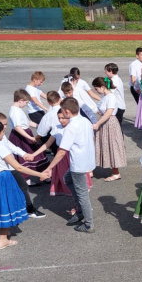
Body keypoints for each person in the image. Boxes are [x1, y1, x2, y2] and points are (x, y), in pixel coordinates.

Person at [0, 121, 51, 250]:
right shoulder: (0, 148)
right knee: (6, 207)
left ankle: (3, 233)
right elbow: (18, 167)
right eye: (2, 132)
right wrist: (39, 174)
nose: (4, 134)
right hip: (3, 178)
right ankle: (3, 239)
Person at [45, 97, 97, 233]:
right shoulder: (85, 121)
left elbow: (62, 152)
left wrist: (49, 168)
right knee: (67, 179)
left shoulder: (71, 127)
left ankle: (88, 224)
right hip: (87, 160)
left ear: (67, 111)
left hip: (78, 164)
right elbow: (92, 138)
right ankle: (80, 212)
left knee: (82, 193)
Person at [24, 108, 94, 199]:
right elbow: (47, 144)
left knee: (78, 183)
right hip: (61, 158)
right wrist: (33, 154)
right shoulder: (57, 127)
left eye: (63, 118)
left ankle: (81, 207)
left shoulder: (73, 127)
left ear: (69, 117)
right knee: (67, 182)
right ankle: (77, 204)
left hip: (73, 156)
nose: (61, 120)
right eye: (59, 118)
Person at [0, 112, 46, 218]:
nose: (5, 127)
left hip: (7, 168)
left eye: (6, 124)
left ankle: (15, 210)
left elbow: (10, 145)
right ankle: (28, 210)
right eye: (3, 125)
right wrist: (39, 174)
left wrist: (23, 154)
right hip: (7, 169)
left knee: (19, 188)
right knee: (21, 187)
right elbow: (18, 166)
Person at [8, 89, 50, 183]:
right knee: (25, 156)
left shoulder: (18, 109)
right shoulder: (15, 111)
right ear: (20, 100)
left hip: (25, 134)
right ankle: (26, 179)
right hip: (21, 136)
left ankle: (43, 175)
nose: (26, 104)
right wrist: (30, 137)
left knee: (35, 153)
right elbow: (18, 127)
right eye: (26, 102)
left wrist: (39, 126)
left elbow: (26, 122)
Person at [91, 77, 126, 181]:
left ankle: (116, 173)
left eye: (96, 89)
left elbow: (109, 113)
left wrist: (97, 124)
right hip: (105, 122)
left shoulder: (111, 96)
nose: (96, 91)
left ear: (102, 87)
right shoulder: (105, 96)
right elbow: (103, 111)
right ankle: (112, 170)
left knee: (112, 145)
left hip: (109, 123)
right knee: (107, 145)